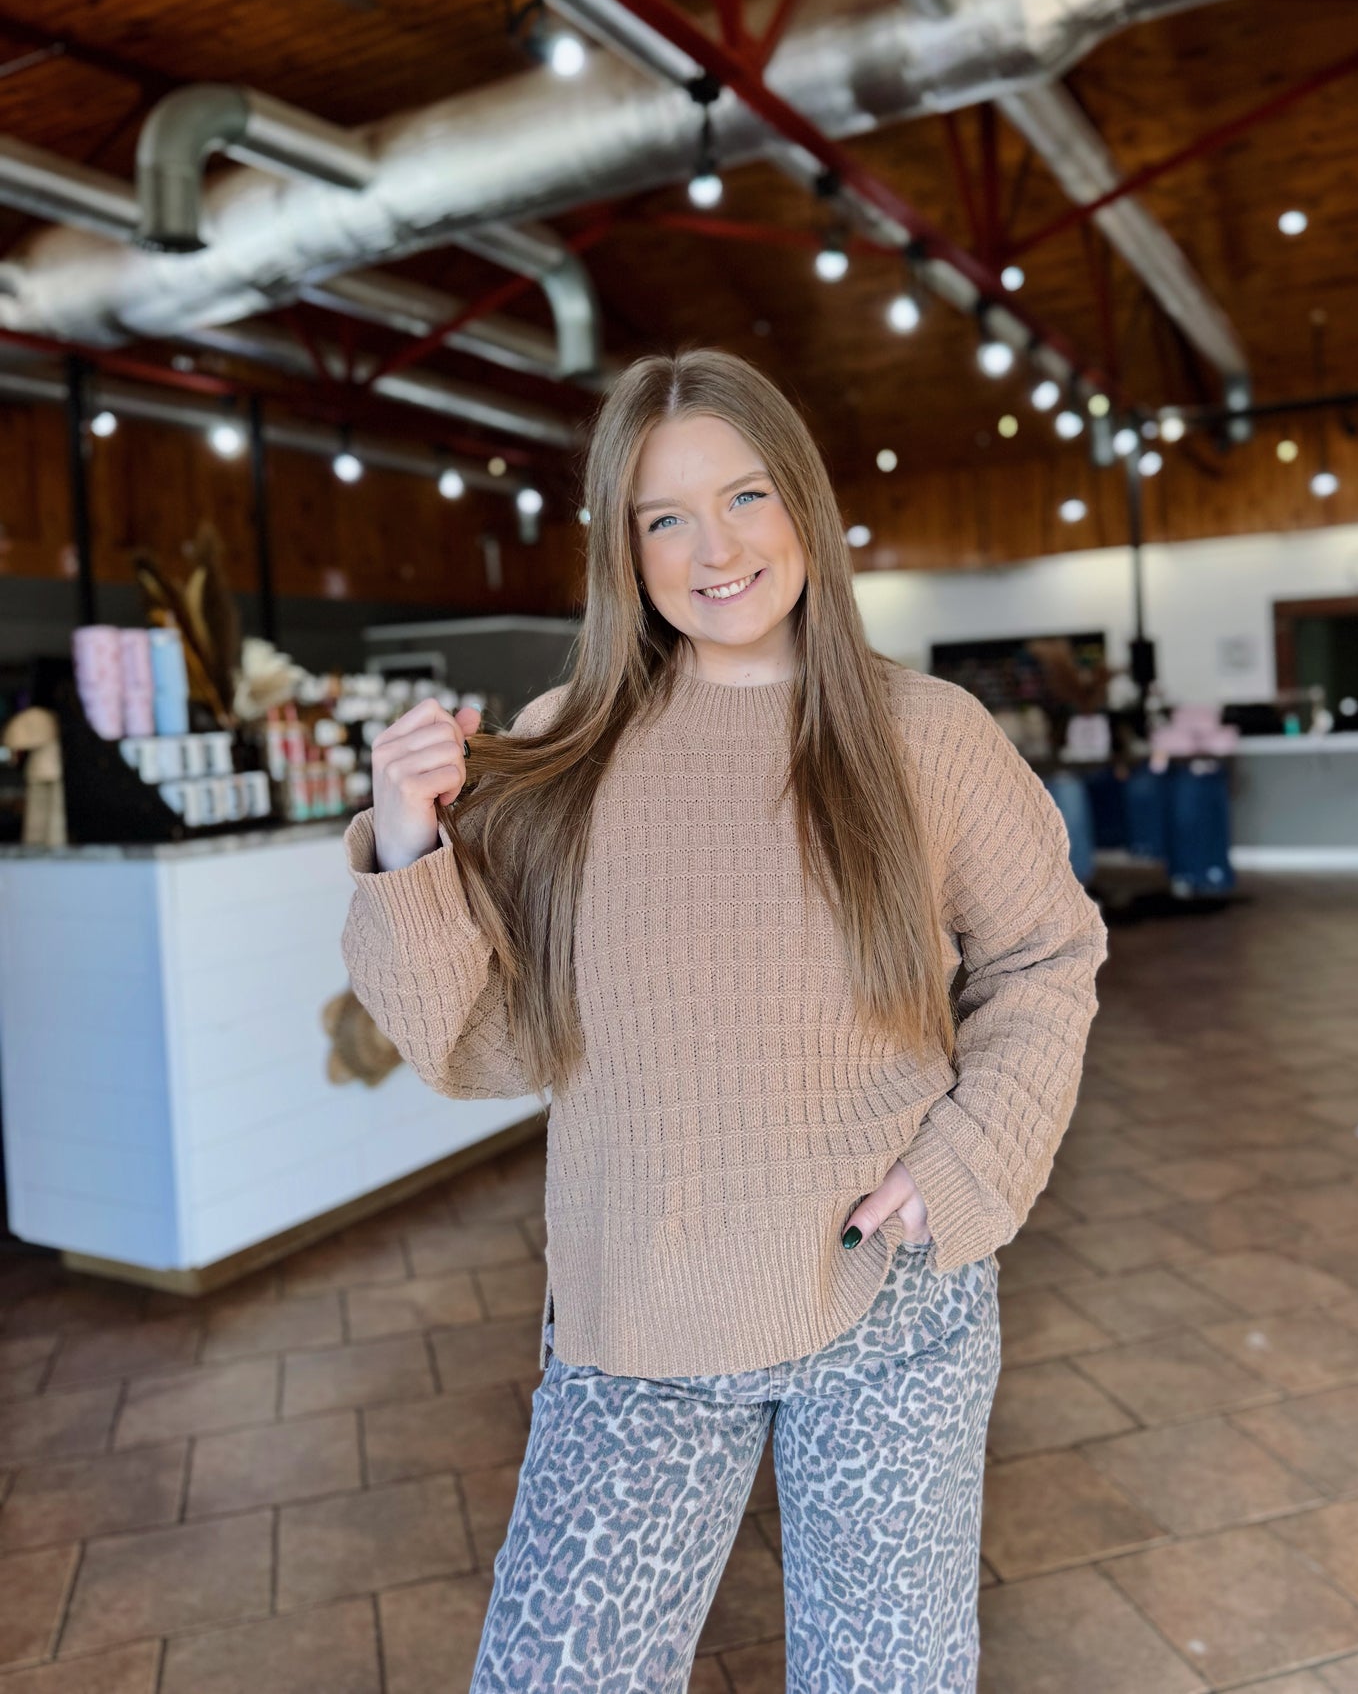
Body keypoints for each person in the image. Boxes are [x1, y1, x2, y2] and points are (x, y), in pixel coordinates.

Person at [339, 348, 1109, 1693]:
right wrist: (409, 850)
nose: (716, 549)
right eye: (664, 517)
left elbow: (1047, 957)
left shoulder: (923, 735)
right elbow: (483, 1047)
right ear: (621, 550)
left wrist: (962, 1169)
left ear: (802, 504)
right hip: (633, 1324)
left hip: (888, 1313)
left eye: (745, 495)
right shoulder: (562, 742)